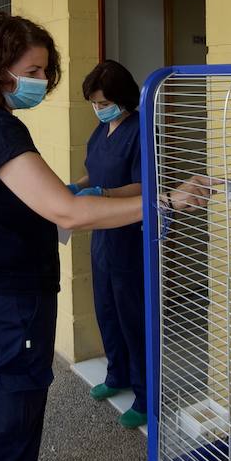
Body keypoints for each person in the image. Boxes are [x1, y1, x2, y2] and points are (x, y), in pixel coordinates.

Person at [0, 12, 213, 461]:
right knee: (7, 423)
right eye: (32, 70)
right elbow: (66, 211)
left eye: (45, 71)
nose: (41, 81)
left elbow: (43, 197)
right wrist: (165, 200)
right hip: (8, 299)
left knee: (11, 416)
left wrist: (76, 196)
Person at [69, 61, 148, 428]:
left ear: (122, 98)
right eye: (94, 103)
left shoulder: (140, 130)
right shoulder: (101, 131)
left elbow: (144, 184)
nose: (98, 109)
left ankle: (145, 396)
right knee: (105, 309)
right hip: (102, 234)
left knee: (133, 316)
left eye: (103, 103)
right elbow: (95, 171)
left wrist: (104, 194)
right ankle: (117, 375)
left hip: (129, 235)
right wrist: (78, 186)